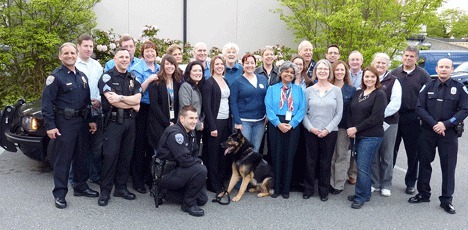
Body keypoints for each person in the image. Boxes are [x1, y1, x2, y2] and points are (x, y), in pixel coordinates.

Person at [42, 42, 99, 209]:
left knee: (82, 156)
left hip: (81, 122)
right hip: (64, 123)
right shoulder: (56, 77)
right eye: (66, 53)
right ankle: (59, 193)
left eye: (72, 53)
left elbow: (86, 102)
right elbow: (47, 104)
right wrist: (50, 126)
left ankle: (80, 186)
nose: (70, 56)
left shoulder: (81, 76)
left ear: (76, 55)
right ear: (60, 56)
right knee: (63, 159)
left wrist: (90, 120)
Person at [409, 58, 468, 214]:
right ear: (436, 69)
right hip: (428, 131)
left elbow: (464, 110)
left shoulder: (459, 88)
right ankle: (423, 193)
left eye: (447, 67)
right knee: (424, 163)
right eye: (441, 67)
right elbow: (419, 108)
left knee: (448, 167)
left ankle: (447, 200)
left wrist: (446, 124)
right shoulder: (427, 87)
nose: (443, 69)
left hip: (448, 133)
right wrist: (435, 124)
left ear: (452, 69)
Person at [97, 48, 142, 206]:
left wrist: (122, 98)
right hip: (113, 123)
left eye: (127, 57)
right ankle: (105, 191)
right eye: (121, 57)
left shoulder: (133, 76)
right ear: (114, 59)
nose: (124, 59)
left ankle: (121, 188)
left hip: (130, 123)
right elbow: (112, 101)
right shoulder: (107, 77)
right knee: (110, 156)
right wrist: (131, 103)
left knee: (125, 156)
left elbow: (138, 98)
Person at [390, 46, 431, 195]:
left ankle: (410, 182)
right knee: (390, 151)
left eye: (411, 56)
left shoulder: (423, 75)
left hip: (413, 118)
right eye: (406, 55)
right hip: (394, 117)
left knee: (412, 153)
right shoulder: (394, 73)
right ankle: (386, 180)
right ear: (402, 56)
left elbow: (428, 97)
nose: (408, 58)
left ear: (416, 59)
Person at [346, 66, 387, 209]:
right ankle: (364, 193)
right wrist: (352, 128)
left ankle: (360, 196)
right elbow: (350, 112)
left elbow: (376, 117)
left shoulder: (379, 94)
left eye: (372, 77)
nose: (369, 79)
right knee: (363, 165)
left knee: (362, 167)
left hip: (371, 136)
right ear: (363, 78)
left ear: (377, 78)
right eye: (366, 76)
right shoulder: (358, 93)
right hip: (357, 135)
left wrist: (356, 128)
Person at [156, 105, 208, 217]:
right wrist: (199, 163)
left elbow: (193, 155)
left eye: (195, 118)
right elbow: (185, 160)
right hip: (166, 174)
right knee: (201, 170)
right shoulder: (176, 133)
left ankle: (166, 193)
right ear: (182, 119)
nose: (194, 121)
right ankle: (188, 205)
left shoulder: (190, 132)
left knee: (202, 199)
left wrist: (197, 161)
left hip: (179, 171)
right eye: (191, 118)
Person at [302, 59, 343, 202]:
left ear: (329, 72)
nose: (322, 71)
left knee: (325, 162)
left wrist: (327, 129)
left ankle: (323, 190)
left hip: (330, 132)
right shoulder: (308, 90)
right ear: (315, 72)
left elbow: (339, 114)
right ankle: (308, 189)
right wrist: (311, 128)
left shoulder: (336, 91)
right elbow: (304, 113)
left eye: (325, 69)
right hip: (311, 131)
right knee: (310, 161)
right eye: (319, 69)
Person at [265, 61, 306, 199]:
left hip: (292, 125)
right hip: (276, 124)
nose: (289, 74)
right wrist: (278, 123)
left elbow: (302, 109)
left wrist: (293, 123)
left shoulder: (299, 90)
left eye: (292, 73)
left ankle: (286, 189)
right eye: (286, 71)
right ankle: (276, 188)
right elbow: (269, 108)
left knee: (289, 156)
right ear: (281, 73)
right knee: (276, 155)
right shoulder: (272, 89)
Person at [129, 40, 160, 194]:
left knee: (151, 143)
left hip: (155, 109)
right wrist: (149, 79)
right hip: (141, 108)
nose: (150, 53)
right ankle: (137, 179)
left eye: (152, 51)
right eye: (147, 51)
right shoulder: (137, 68)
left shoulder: (159, 67)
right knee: (139, 145)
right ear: (142, 53)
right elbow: (136, 90)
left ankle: (149, 177)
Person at [370, 53, 402, 197]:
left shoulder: (393, 81)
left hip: (389, 123)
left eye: (383, 63)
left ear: (387, 65)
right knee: (373, 154)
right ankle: (374, 183)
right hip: (371, 124)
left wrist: (379, 115)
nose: (380, 65)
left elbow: (395, 103)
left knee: (387, 154)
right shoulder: (369, 78)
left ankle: (386, 184)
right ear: (373, 63)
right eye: (378, 63)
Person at [75, 34, 104, 185]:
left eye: (90, 46)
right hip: (79, 112)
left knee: (97, 146)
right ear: (78, 46)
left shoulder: (97, 65)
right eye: (85, 46)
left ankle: (95, 175)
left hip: (95, 111)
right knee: (79, 146)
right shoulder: (73, 64)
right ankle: (76, 178)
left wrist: (99, 99)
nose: (88, 49)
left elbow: (101, 86)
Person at [202, 56, 231, 195]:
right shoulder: (209, 83)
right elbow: (207, 107)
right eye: (217, 64)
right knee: (212, 154)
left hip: (225, 121)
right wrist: (212, 126)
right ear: (212, 66)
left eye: (222, 64)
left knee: (222, 153)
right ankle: (212, 184)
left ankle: (220, 180)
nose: (220, 66)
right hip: (215, 122)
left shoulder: (225, 80)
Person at [230, 54, 269, 152]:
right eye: (247, 63)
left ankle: (253, 168)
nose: (249, 65)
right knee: (244, 150)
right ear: (242, 65)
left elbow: (268, 98)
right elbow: (233, 102)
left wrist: (267, 115)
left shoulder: (263, 79)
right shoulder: (237, 82)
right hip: (244, 122)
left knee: (255, 150)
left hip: (260, 121)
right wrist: (237, 121)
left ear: (256, 64)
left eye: (252, 63)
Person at [329, 60, 356, 195]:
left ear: (346, 72)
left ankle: (338, 184)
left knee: (341, 156)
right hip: (327, 127)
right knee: (329, 156)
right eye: (337, 70)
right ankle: (329, 181)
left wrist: (353, 128)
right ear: (332, 71)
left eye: (342, 70)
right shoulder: (327, 87)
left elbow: (353, 111)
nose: (339, 72)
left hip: (343, 128)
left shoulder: (351, 90)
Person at [147, 55, 181, 152]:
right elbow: (154, 105)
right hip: (158, 123)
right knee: (160, 152)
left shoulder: (177, 83)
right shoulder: (156, 82)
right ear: (162, 66)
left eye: (172, 64)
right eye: (167, 64)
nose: (170, 66)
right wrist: (166, 122)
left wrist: (174, 122)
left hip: (173, 122)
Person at [347, 50, 364, 185]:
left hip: (359, 114)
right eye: (352, 59)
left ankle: (353, 173)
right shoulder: (343, 73)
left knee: (356, 146)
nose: (355, 62)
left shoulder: (366, 76)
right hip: (344, 113)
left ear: (361, 61)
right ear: (349, 61)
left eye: (357, 59)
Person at [180, 61, 205, 147]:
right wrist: (198, 124)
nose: (198, 73)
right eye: (195, 70)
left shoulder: (199, 87)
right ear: (189, 72)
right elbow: (185, 108)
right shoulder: (186, 86)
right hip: (188, 128)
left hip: (196, 127)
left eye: (200, 70)